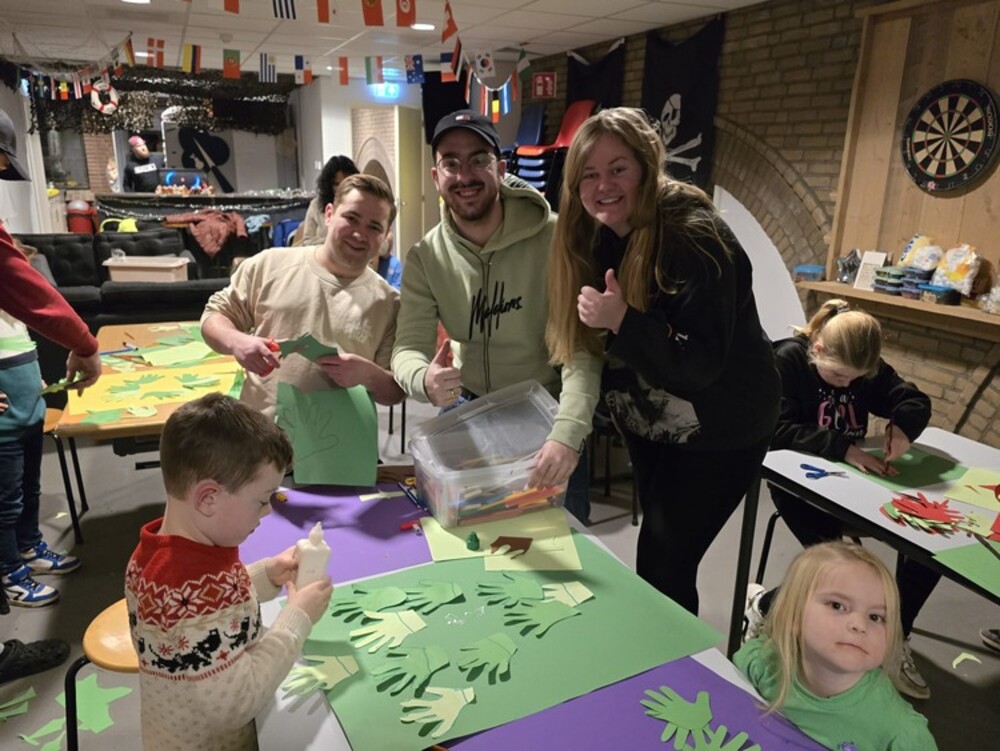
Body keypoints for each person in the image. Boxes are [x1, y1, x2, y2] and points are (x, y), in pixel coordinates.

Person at [545, 107, 780, 612]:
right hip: (653, 423)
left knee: (663, 561)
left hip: (720, 429)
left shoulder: (696, 238)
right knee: (660, 555)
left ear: (646, 167)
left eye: (618, 169)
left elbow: (698, 366)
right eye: (589, 174)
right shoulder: (597, 232)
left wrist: (623, 321)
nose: (603, 186)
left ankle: (675, 657)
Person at [391, 110, 602, 525]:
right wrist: (424, 379)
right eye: (451, 163)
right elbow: (407, 348)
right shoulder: (425, 257)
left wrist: (568, 433)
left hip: (545, 413)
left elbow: (582, 352)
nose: (464, 175)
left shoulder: (557, 239)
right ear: (436, 176)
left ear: (501, 169)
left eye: (478, 160)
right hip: (467, 411)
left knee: (559, 543)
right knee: (459, 541)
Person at [748, 298, 937, 699]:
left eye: (856, 379)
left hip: (855, 487)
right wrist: (843, 447)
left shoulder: (861, 367)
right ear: (817, 349)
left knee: (928, 544)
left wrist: (902, 428)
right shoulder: (787, 360)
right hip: (799, 488)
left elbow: (914, 400)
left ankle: (895, 634)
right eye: (837, 376)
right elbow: (773, 428)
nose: (846, 386)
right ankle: (768, 607)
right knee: (837, 570)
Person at [125, 393, 333, 750]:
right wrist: (297, 619)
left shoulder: (155, 557)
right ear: (208, 498)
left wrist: (267, 575)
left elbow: (195, 613)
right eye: (262, 500)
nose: (267, 512)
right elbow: (238, 702)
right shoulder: (193, 583)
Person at [0, 106, 102, 682]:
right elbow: (26, 287)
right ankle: (10, 571)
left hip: (18, 378)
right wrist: (85, 342)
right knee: (4, 492)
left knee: (24, 484)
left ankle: (27, 549)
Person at [202, 173, 404, 417]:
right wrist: (237, 341)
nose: (360, 234)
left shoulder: (389, 303)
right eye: (351, 218)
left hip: (341, 437)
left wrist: (369, 375)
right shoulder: (269, 265)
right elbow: (214, 316)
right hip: (261, 433)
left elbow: (396, 391)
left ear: (386, 234)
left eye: (374, 227)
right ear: (329, 214)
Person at [734, 542, 937, 750]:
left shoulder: (901, 734)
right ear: (793, 616)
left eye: (876, 617)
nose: (859, 625)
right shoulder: (765, 663)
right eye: (837, 606)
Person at [296, 155, 360, 245]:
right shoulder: (316, 206)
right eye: (337, 184)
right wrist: (334, 241)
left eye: (346, 182)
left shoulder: (362, 205)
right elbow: (307, 241)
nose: (342, 187)